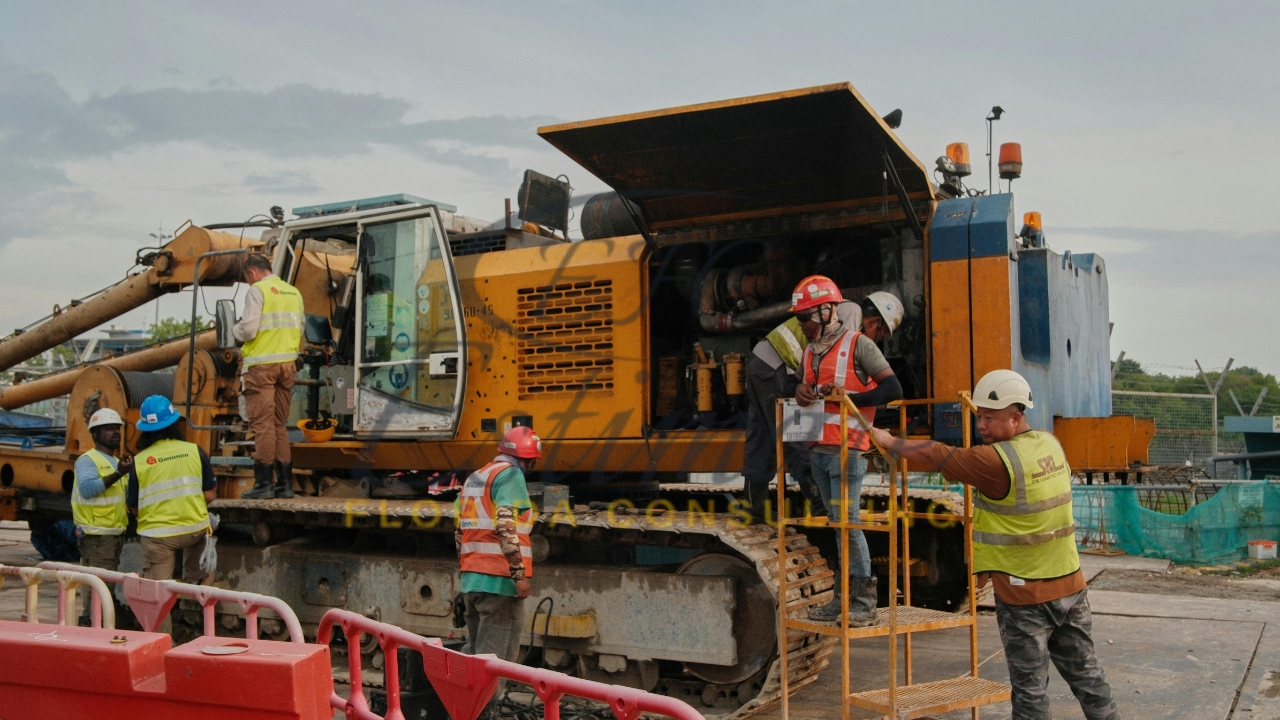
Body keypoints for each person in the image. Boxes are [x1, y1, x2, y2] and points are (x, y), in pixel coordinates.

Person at [869, 370, 1119, 720]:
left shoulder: (994, 461)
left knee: (1030, 690)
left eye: (990, 418)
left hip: (1025, 594)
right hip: (1071, 586)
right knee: (1088, 676)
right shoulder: (1049, 443)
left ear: (1016, 418)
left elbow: (938, 453)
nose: (981, 426)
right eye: (979, 417)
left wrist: (888, 439)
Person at [792, 277, 904, 624]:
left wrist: (851, 400)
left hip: (848, 450)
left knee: (848, 524)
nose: (803, 326)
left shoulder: (859, 345)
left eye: (805, 319)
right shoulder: (810, 352)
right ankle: (843, 599)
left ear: (827, 311)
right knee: (837, 525)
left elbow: (892, 387)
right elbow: (805, 387)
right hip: (819, 450)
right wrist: (801, 392)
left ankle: (864, 604)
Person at [742, 301, 862, 522]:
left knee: (763, 435)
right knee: (797, 433)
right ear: (876, 322)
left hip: (760, 363)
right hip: (777, 367)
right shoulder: (852, 312)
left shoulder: (829, 308)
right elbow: (840, 359)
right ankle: (819, 502)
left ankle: (752, 505)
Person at [455, 426, 539, 676]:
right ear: (529, 460)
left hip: (472, 583)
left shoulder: (476, 477)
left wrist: (466, 577)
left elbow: (460, 532)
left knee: (475, 663)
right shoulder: (511, 475)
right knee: (494, 670)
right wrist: (519, 575)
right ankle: (484, 713)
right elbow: (505, 526)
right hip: (500, 584)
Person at [234, 253, 306, 500]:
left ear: (252, 273)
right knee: (278, 425)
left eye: (247, 279)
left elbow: (249, 329)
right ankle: (284, 485)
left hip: (261, 367)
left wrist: (235, 329)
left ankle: (263, 485)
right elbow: (301, 327)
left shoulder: (258, 291)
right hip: (287, 366)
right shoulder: (293, 292)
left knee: (262, 426)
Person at [125, 395, 217, 585]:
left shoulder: (140, 462)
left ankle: (164, 614)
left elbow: (134, 508)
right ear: (174, 423)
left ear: (144, 430)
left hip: (159, 536)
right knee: (198, 584)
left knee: (158, 593)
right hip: (194, 531)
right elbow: (209, 494)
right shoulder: (194, 451)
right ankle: (196, 610)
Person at [72, 408, 131, 623]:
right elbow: (88, 489)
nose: (116, 432)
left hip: (111, 534)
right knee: (98, 587)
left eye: (117, 428)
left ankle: (94, 623)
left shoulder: (114, 461)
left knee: (102, 585)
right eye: (109, 429)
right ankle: (90, 624)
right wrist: (118, 474)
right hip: (96, 535)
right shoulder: (88, 460)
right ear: (95, 434)